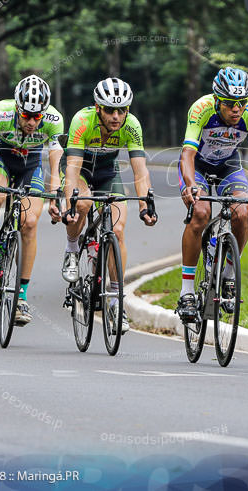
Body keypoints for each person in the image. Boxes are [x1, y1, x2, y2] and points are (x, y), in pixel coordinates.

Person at [60, 77, 157, 334]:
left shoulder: (132, 125)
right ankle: (72, 250)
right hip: (79, 168)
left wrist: (146, 205)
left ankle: (116, 302)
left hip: (107, 172)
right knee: (83, 203)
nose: (116, 116)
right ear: (97, 108)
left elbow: (140, 172)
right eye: (110, 110)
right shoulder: (82, 120)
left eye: (122, 110)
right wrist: (70, 203)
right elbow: (71, 170)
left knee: (119, 229)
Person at [176, 66, 248, 322]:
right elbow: (187, 154)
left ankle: (229, 273)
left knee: (242, 212)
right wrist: (189, 185)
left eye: (241, 103)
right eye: (229, 104)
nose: (236, 109)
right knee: (201, 212)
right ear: (217, 100)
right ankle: (186, 292)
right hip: (198, 167)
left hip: (229, 165)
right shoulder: (201, 108)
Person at [0, 75, 64, 326]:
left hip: (30, 166)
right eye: (27, 115)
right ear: (17, 108)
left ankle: (21, 296)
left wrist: (56, 197)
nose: (33, 122)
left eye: (37, 117)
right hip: (2, 159)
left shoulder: (54, 120)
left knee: (30, 223)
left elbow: (56, 164)